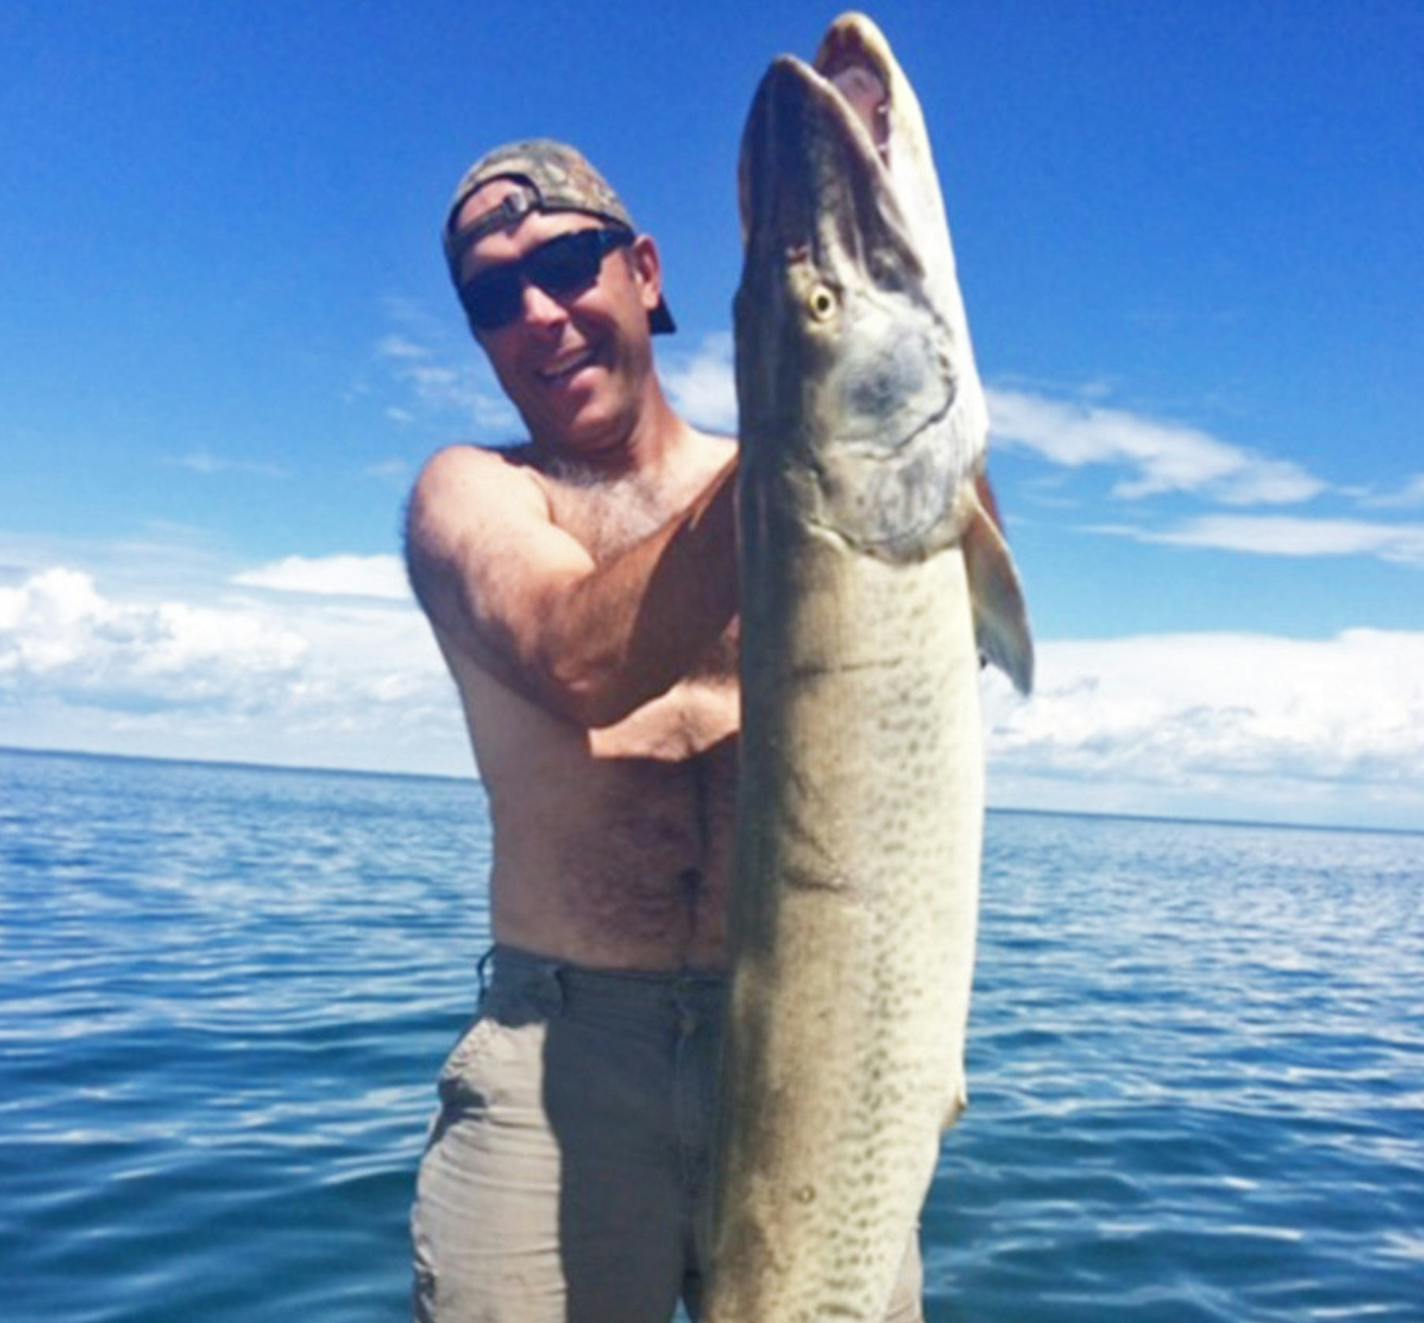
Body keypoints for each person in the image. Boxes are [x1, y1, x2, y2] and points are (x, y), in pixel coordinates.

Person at [404, 139, 922, 1322]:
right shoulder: (474, 494)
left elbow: (941, 554)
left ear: (642, 269)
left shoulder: (790, 481)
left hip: (804, 1042)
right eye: (492, 298)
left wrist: (872, 348)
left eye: (568, 262)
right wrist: (819, 425)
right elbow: (575, 656)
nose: (538, 314)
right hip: (563, 1058)